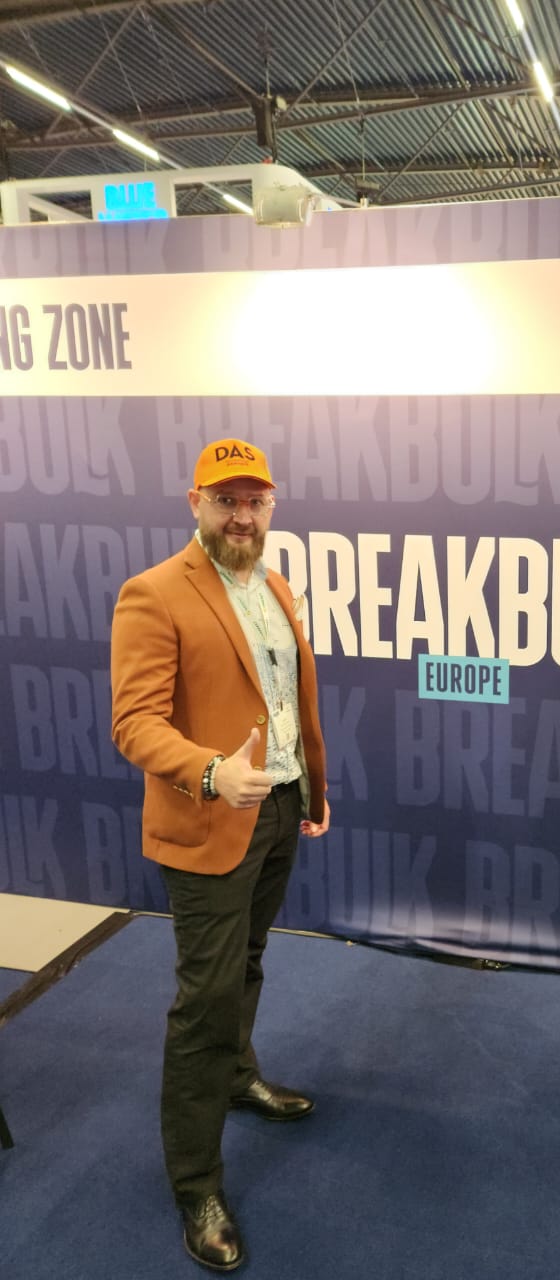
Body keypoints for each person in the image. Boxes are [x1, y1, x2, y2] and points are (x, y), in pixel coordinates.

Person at [111, 437, 329, 1273]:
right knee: (204, 1000)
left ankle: (238, 1076)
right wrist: (209, 772)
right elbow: (134, 722)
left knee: (248, 959)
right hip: (209, 816)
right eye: (225, 500)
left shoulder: (275, 585)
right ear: (195, 502)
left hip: (277, 806)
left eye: (255, 501)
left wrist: (309, 786)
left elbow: (285, 697)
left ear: (272, 506)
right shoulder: (154, 593)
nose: (242, 516)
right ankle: (196, 1184)